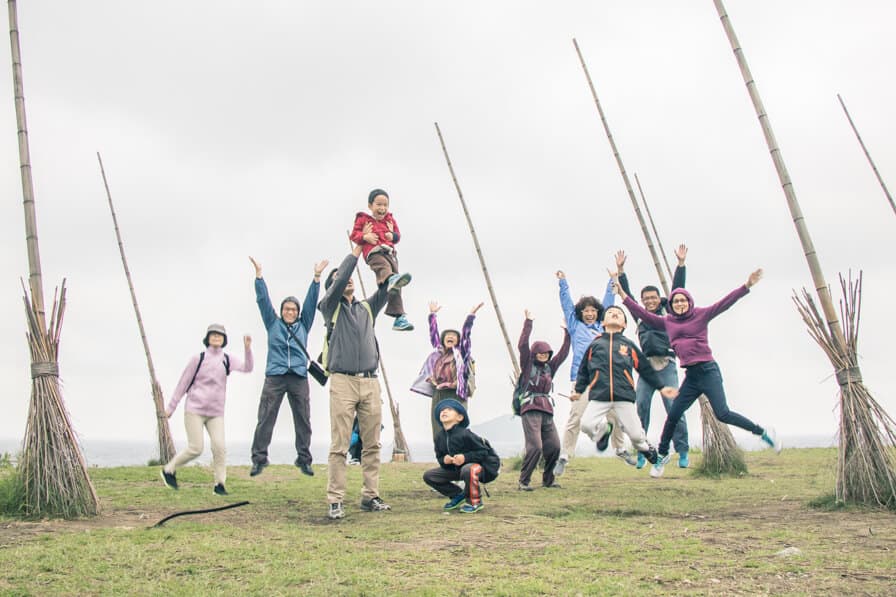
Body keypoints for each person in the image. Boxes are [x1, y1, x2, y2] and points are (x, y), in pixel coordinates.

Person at [616, 268, 782, 479]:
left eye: (682, 301)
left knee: (723, 413)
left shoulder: (702, 315)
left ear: (689, 301)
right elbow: (641, 314)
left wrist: (746, 286)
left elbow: (725, 303)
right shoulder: (668, 322)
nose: (679, 304)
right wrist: (623, 295)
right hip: (691, 376)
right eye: (675, 302)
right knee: (674, 414)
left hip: (708, 371)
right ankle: (661, 456)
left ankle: (764, 433)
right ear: (671, 306)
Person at [318, 245, 411, 520]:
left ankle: (370, 496)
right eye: (339, 278)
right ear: (332, 287)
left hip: (370, 382)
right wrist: (357, 250)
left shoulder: (367, 309)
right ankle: (335, 500)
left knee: (372, 444)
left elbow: (391, 285)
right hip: (342, 382)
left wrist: (387, 253)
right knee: (340, 445)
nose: (346, 279)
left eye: (348, 277)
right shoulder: (329, 307)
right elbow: (339, 281)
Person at [248, 257, 328, 478]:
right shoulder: (272, 323)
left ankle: (304, 459)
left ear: (298, 312)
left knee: (303, 418)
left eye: (294, 309)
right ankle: (259, 459)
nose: (290, 312)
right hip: (275, 376)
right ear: (282, 310)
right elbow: (263, 300)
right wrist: (259, 276)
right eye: (287, 309)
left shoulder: (304, 324)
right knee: (265, 417)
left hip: (299, 377)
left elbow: (311, 303)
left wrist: (317, 278)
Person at [572, 306, 674, 470]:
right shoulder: (595, 345)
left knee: (635, 436)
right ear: (603, 322)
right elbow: (583, 370)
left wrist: (661, 387)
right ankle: (604, 430)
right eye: (610, 313)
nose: (614, 314)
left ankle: (647, 449)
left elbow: (645, 369)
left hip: (623, 397)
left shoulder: (629, 345)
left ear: (624, 324)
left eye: (619, 314)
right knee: (586, 425)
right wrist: (578, 391)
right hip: (600, 396)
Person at [616, 245, 690, 469]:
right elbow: (626, 294)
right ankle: (643, 451)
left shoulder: (669, 314)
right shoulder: (640, 316)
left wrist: (680, 264)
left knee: (673, 407)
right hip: (646, 367)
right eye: (645, 298)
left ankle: (683, 451)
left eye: (653, 297)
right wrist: (621, 271)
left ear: (659, 299)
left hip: (666, 364)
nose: (649, 301)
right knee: (641, 407)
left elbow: (678, 290)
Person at [161, 324, 253, 496]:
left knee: (219, 448)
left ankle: (220, 485)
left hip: (216, 413)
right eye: (213, 335)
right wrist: (171, 408)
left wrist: (247, 349)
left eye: (220, 335)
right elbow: (183, 383)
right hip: (194, 410)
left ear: (224, 339)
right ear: (208, 338)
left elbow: (248, 368)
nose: (217, 337)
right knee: (196, 448)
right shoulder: (198, 358)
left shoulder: (227, 359)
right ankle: (169, 470)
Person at [554, 272, 630, 475]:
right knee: (575, 417)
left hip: (606, 377)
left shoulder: (603, 328)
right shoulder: (575, 326)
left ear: (598, 313)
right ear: (581, 313)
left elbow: (608, 301)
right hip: (582, 378)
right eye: (586, 311)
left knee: (616, 415)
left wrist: (612, 280)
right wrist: (563, 283)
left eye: (593, 311)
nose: (590, 314)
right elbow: (567, 305)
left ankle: (620, 448)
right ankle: (564, 456)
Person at [409, 301, 483, 441]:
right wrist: (432, 315)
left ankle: (458, 457)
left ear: (458, 341)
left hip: (456, 393)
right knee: (438, 426)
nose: (450, 337)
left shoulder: (462, 354)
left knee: (456, 427)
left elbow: (466, 335)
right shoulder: (439, 355)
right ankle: (442, 458)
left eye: (454, 336)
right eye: (447, 335)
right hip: (439, 393)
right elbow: (433, 335)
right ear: (443, 340)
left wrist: (471, 316)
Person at [516, 310, 570, 491]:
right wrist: (528, 322)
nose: (544, 355)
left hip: (547, 410)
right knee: (536, 447)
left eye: (547, 353)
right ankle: (524, 481)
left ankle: (548, 480)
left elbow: (563, 354)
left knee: (554, 446)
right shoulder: (527, 365)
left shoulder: (549, 368)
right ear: (534, 353)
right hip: (530, 409)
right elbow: (522, 345)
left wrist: (567, 333)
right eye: (541, 353)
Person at [349, 188, 414, 331]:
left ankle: (399, 317)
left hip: (390, 252)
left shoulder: (390, 220)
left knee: (397, 283)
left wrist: (392, 235)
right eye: (379, 204)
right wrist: (365, 237)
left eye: (385, 205)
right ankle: (389, 278)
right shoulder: (363, 219)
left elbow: (398, 236)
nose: (382, 208)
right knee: (384, 267)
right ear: (370, 206)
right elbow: (354, 235)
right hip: (374, 252)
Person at [423, 399, 501, 513]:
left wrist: (465, 457)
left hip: (482, 469)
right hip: (458, 470)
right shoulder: (439, 437)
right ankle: (457, 495)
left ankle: (475, 502)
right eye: (442, 410)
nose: (444, 411)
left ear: (459, 417)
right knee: (429, 475)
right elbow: (440, 458)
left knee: (468, 468)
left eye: (449, 409)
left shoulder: (465, 434)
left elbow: (484, 452)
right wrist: (444, 460)